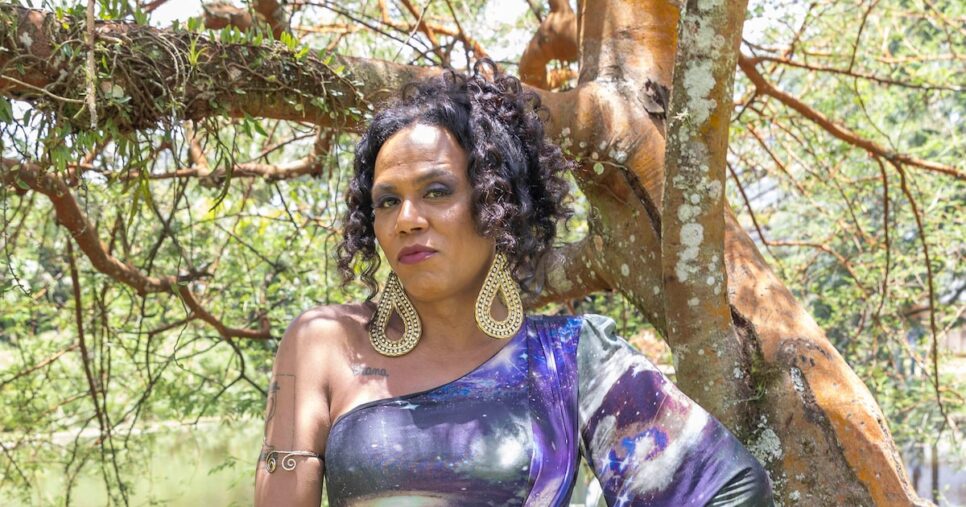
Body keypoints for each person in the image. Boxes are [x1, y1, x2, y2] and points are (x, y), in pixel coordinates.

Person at [254, 60, 773, 507]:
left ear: (496, 203)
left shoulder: (570, 359)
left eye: (437, 191)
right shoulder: (324, 343)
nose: (407, 219)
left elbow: (729, 489)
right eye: (388, 201)